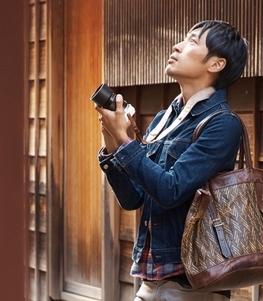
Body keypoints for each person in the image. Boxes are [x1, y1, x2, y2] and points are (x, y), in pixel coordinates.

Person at [95, 20, 249, 301]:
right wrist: (112, 141)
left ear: (215, 64)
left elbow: (170, 189)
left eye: (192, 41)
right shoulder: (164, 119)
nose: (177, 45)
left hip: (193, 286)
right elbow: (133, 199)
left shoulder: (222, 124)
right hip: (151, 281)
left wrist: (127, 142)